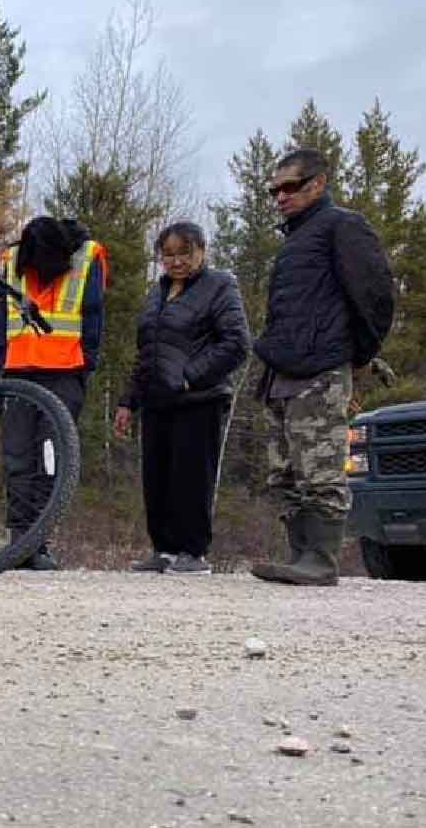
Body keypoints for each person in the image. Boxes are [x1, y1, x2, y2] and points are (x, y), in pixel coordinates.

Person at [250, 149, 394, 586]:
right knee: (285, 470)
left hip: (321, 370)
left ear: (318, 183)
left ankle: (321, 559)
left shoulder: (342, 226)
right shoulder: (295, 240)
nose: (279, 196)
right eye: (273, 189)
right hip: (282, 370)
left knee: (321, 468)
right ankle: (299, 554)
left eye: (289, 186)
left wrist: (358, 354)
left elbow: (376, 294)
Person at [115, 222, 251, 575]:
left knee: (192, 476)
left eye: (184, 253)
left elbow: (236, 343)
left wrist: (190, 378)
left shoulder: (220, 286)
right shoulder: (156, 292)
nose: (176, 261)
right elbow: (147, 351)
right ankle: (164, 549)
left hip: (199, 399)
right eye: (169, 254)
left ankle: (193, 552)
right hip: (157, 399)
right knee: (156, 476)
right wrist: (128, 401)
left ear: (202, 251)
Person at [0, 216, 108, 571]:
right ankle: (19, 540)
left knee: (50, 460)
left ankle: (39, 542)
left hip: (65, 375)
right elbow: (3, 319)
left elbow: (93, 317)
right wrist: (1, 368)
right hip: (17, 371)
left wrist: (84, 369)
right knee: (17, 458)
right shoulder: (10, 260)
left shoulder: (88, 257)